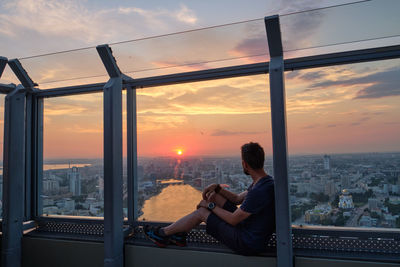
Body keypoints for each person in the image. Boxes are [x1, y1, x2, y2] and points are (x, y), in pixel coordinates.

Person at [144, 142, 275, 255]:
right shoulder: (264, 182)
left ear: (244, 164)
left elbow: (234, 220)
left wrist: (210, 206)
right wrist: (218, 188)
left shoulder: (259, 191)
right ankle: (179, 235)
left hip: (247, 242)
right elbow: (236, 199)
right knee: (215, 197)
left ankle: (162, 234)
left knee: (202, 212)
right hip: (250, 231)